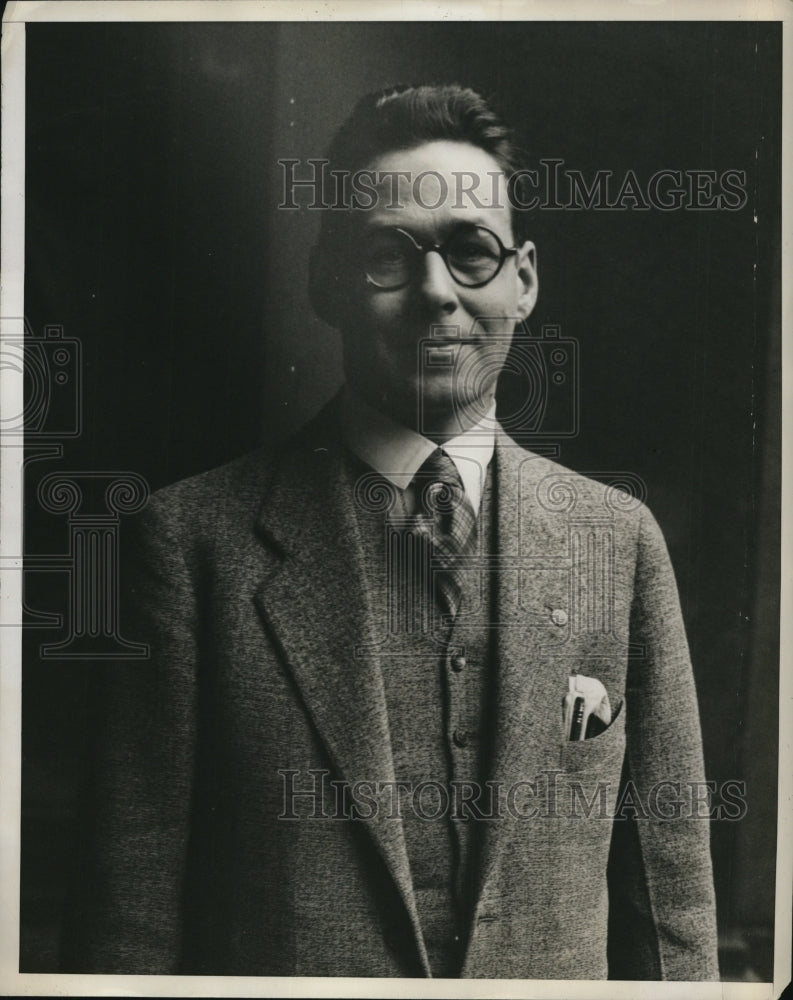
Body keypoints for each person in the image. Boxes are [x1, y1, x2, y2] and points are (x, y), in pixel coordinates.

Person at [64, 84, 719, 980]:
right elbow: (125, 926)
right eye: (387, 255)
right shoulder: (189, 545)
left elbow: (670, 917)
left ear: (523, 280)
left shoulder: (619, 541)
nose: (435, 293)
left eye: (471, 252)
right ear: (325, 281)